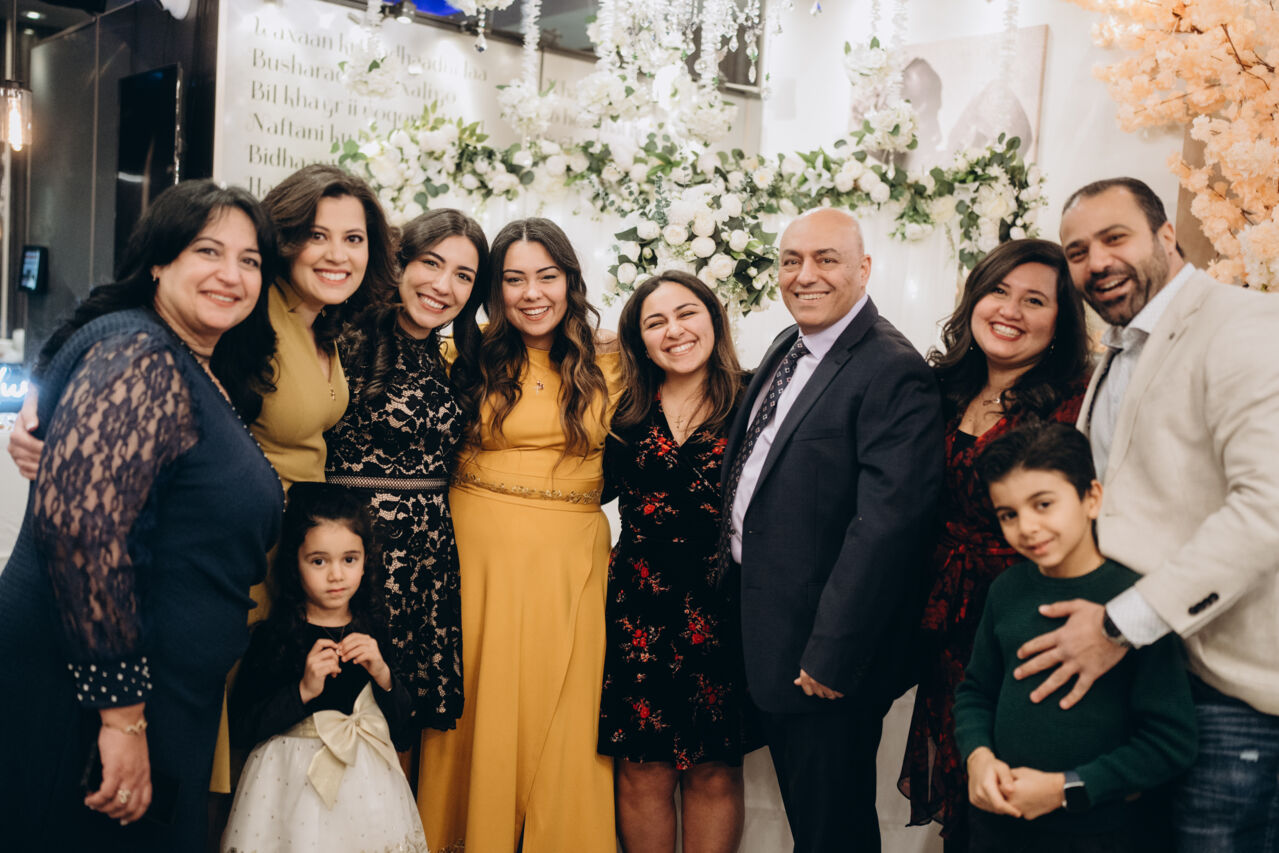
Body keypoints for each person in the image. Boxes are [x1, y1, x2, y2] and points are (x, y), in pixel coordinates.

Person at [0, 180, 283, 851]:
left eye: (249, 260)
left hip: (156, 689)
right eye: (208, 250)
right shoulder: (141, 353)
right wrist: (120, 716)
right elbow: (84, 532)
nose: (231, 274)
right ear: (158, 260)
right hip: (93, 697)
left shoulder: (186, 359)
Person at [1015, 177, 1279, 850]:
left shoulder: (1244, 324)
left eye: (1115, 238)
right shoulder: (1118, 347)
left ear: (1165, 235)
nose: (1096, 262)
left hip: (1229, 687)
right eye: (1077, 251)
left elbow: (1267, 507)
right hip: (1148, 677)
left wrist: (1118, 624)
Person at [722, 207, 944, 851]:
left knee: (833, 832)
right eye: (791, 260)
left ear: (864, 268)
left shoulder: (891, 368)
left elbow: (888, 527)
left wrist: (832, 653)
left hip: (821, 656)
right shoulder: (788, 344)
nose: (804, 275)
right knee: (810, 821)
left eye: (826, 259)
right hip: (768, 632)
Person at [417, 217, 621, 852]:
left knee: (565, 716)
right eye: (513, 279)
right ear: (494, 289)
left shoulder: (614, 360)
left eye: (547, 276)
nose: (532, 293)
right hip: (473, 555)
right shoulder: (463, 354)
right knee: (477, 706)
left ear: (570, 281)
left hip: (569, 561)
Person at [898, 238, 1091, 850]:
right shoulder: (941, 388)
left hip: (1028, 623)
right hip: (947, 620)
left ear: (1060, 321)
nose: (1010, 310)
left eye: (1035, 300)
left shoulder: (1076, 404)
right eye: (999, 291)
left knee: (1018, 802)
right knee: (966, 794)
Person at [955, 421, 1197, 852]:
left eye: (1043, 504)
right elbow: (975, 692)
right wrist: (978, 757)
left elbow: (1170, 743)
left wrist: (1065, 788)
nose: (1027, 527)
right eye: (1008, 514)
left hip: (1100, 835)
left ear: (1092, 498)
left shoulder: (1136, 603)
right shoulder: (1006, 590)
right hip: (999, 829)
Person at [601, 271, 761, 853]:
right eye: (655, 322)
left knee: (713, 769)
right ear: (639, 342)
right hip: (638, 607)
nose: (674, 331)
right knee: (642, 767)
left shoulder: (756, 399)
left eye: (687, 313)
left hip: (725, 606)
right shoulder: (621, 412)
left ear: (715, 319)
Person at [325, 209, 487, 729]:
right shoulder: (344, 338)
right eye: (431, 263)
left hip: (427, 563)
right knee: (340, 716)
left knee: (399, 723)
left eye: (463, 275)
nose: (443, 286)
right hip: (360, 556)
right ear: (400, 262)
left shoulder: (450, 356)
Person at [222, 483, 425, 853]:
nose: (336, 575)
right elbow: (242, 727)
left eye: (349, 559)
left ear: (366, 561)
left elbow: (402, 730)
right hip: (288, 791)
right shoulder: (277, 636)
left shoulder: (373, 630)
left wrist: (383, 674)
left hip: (368, 792)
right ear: (294, 564)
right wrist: (302, 691)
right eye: (319, 561)